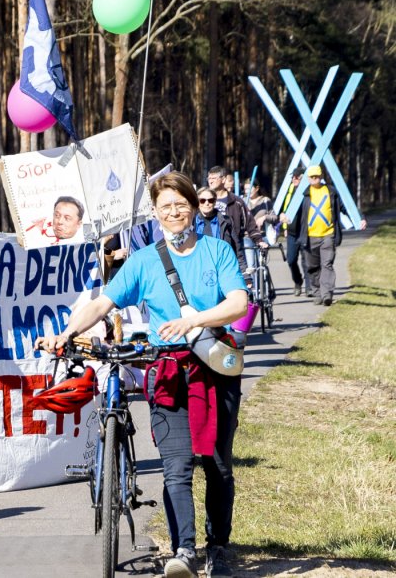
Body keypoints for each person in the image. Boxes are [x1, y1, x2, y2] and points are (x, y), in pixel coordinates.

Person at [37, 171, 248, 578]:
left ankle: (218, 547)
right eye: (165, 206)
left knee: (218, 465)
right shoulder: (145, 260)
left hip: (214, 369)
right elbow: (102, 304)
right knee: (176, 466)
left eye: (180, 204)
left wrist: (195, 321)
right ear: (155, 213)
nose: (174, 212)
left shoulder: (217, 251)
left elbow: (238, 303)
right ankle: (184, 551)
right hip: (167, 371)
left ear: (192, 206)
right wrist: (65, 333)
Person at [295, 165, 366, 306]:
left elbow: (346, 206)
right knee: (313, 267)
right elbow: (291, 214)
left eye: (317, 176)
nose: (314, 179)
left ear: (321, 177)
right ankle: (317, 292)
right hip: (310, 237)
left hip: (328, 235)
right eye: (312, 177)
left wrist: (360, 218)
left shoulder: (331, 191)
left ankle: (327, 294)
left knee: (327, 264)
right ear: (308, 178)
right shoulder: (303, 194)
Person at [207, 165, 264, 277]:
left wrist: (259, 240)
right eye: (209, 178)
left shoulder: (236, 202)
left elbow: (249, 223)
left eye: (214, 178)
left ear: (223, 180)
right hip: (209, 248)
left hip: (232, 247)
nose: (211, 181)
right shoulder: (203, 200)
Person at [279, 169, 309, 296]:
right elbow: (282, 209)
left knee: (307, 260)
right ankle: (298, 281)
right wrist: (284, 227)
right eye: (293, 177)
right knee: (291, 260)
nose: (294, 179)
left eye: (297, 177)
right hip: (291, 232)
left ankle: (309, 287)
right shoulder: (289, 192)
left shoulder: (308, 191)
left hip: (306, 232)